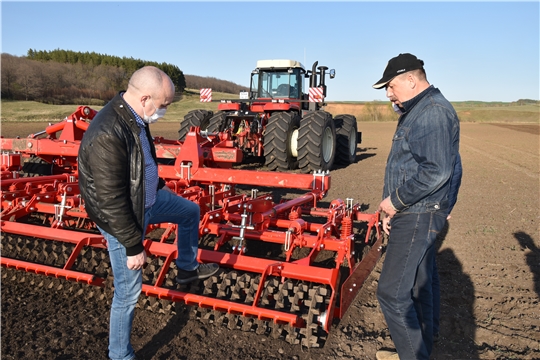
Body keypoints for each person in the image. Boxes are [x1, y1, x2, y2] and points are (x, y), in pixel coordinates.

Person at [78, 66, 219, 360]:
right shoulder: (108, 132)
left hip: (148, 199)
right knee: (128, 293)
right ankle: (120, 355)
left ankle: (186, 268)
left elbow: (141, 161)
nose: (163, 111)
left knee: (190, 211)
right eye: (163, 105)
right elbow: (110, 200)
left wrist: (159, 184)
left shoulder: (135, 117)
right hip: (124, 218)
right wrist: (133, 245)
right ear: (145, 99)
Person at [372, 53, 460, 360]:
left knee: (392, 293)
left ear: (411, 79)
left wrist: (394, 202)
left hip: (419, 212)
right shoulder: (421, 110)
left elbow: (437, 170)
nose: (388, 93)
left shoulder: (432, 112)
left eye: (391, 85)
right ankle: (422, 347)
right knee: (422, 280)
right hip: (418, 210)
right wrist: (393, 210)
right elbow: (453, 166)